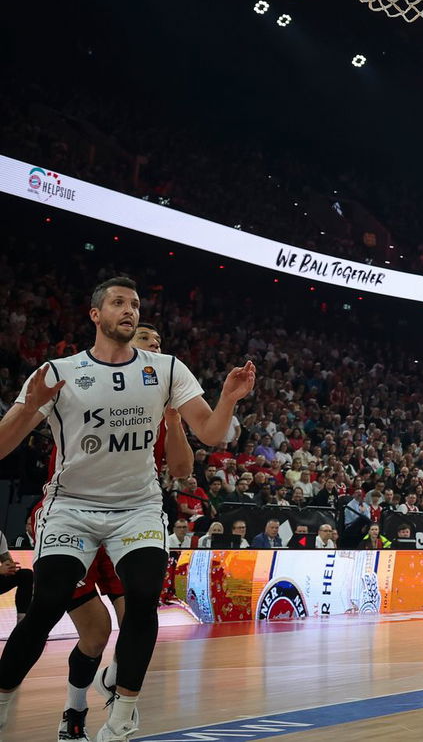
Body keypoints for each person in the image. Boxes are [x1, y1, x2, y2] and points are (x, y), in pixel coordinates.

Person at [0, 276, 253, 741]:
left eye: (135, 304)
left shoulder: (168, 370)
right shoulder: (58, 371)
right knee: (48, 603)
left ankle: (122, 715)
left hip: (135, 508)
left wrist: (228, 400)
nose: (130, 310)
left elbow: (211, 436)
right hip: (70, 506)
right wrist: (25, 409)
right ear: (96, 315)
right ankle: (6, 699)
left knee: (142, 599)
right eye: (118, 303)